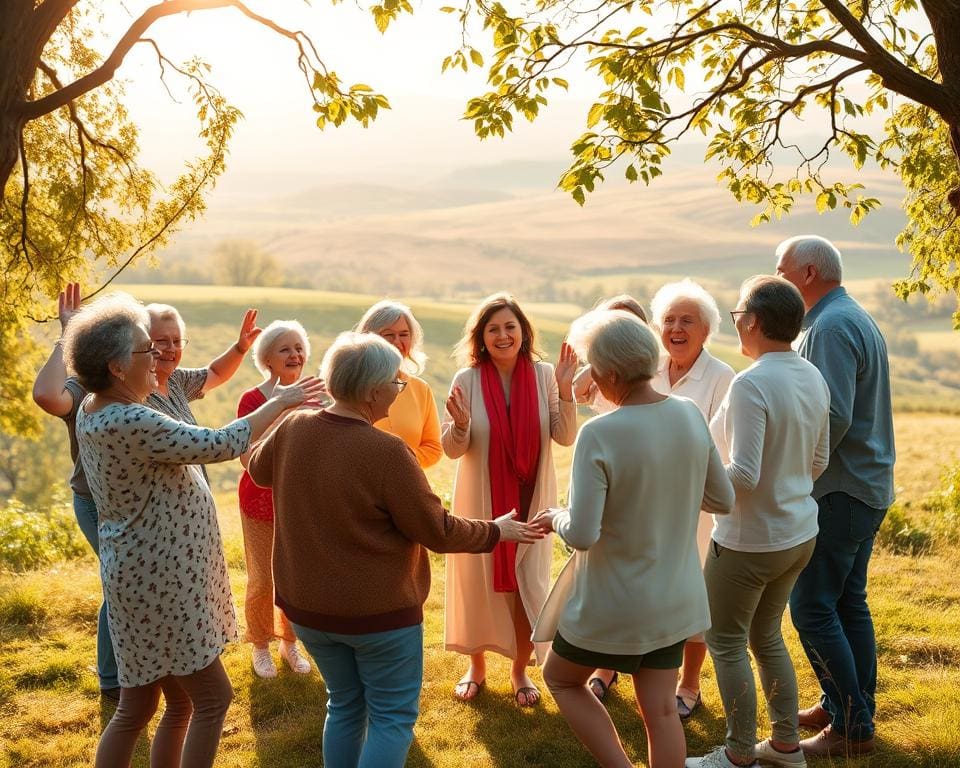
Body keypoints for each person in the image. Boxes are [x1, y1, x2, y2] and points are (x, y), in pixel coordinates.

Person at [246, 331, 543, 768]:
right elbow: (437, 531)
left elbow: (257, 468)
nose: (399, 390)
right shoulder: (387, 452)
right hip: (378, 616)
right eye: (395, 382)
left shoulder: (294, 427)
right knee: (391, 717)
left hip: (308, 610)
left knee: (344, 705)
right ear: (371, 391)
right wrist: (497, 531)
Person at [63, 292, 323, 768]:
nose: (159, 357)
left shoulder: (98, 406)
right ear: (117, 367)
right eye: (148, 350)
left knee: (145, 706)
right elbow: (220, 443)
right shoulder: (129, 418)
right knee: (210, 699)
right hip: (161, 579)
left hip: (142, 573)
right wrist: (281, 401)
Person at [532, 310, 735, 768]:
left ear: (613, 374)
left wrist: (555, 517)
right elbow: (721, 499)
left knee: (562, 680)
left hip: (614, 600)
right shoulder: (688, 415)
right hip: (674, 596)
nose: (591, 381)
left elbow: (582, 533)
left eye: (593, 371)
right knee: (661, 710)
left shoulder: (600, 433)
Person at [687, 276, 830, 768]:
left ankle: (739, 753)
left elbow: (743, 475)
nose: (738, 324)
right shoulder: (811, 374)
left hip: (749, 540)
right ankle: (787, 746)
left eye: (738, 315)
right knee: (766, 636)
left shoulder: (751, 382)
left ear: (754, 321)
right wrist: (786, 487)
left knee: (726, 642)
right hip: (798, 533)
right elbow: (819, 460)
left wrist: (692, 488)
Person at [573, 284, 735, 713]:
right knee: (662, 597)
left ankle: (690, 682)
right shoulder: (646, 369)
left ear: (707, 330)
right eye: (668, 319)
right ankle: (611, 668)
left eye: (687, 320)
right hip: (639, 506)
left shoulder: (722, 379)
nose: (676, 328)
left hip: (685, 510)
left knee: (681, 592)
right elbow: (610, 420)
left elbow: (718, 461)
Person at [776, 235, 895, 758]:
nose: (775, 281)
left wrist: (791, 469)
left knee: (810, 606)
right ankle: (847, 705)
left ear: (806, 273)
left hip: (840, 489)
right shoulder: (847, 316)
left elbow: (832, 416)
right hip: (864, 485)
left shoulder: (827, 326)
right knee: (847, 602)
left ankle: (851, 726)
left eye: (780, 272)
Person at [442, 293, 578, 706]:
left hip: (531, 499)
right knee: (479, 583)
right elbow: (451, 448)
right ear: (481, 337)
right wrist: (461, 426)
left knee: (526, 585)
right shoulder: (466, 380)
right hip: (481, 501)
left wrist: (568, 391)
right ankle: (476, 666)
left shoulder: (543, 376)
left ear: (523, 333)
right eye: (494, 328)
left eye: (510, 327)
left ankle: (520, 670)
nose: (503, 335)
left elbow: (564, 435)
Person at [31, 283, 119, 700]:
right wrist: (66, 334)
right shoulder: (83, 390)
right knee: (117, 582)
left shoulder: (140, 384)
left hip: (131, 505)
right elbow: (46, 395)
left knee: (124, 582)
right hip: (94, 503)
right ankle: (111, 681)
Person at [236, 320, 315, 678]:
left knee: (296, 576)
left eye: (298, 348)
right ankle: (260, 645)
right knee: (262, 578)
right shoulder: (252, 400)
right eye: (285, 349)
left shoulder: (315, 395)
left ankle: (289, 642)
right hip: (259, 501)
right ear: (267, 359)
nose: (294, 354)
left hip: (300, 502)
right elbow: (244, 455)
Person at [145, 301, 261, 430]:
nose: (171, 348)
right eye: (162, 341)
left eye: (177, 341)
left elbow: (215, 373)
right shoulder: (133, 393)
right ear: (142, 342)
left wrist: (240, 348)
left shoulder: (175, 379)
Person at [356, 300, 442, 467]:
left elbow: (434, 447)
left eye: (403, 334)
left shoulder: (421, 389)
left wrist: (400, 462)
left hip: (408, 485)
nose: (396, 342)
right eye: (388, 335)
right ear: (369, 337)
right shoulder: (352, 386)